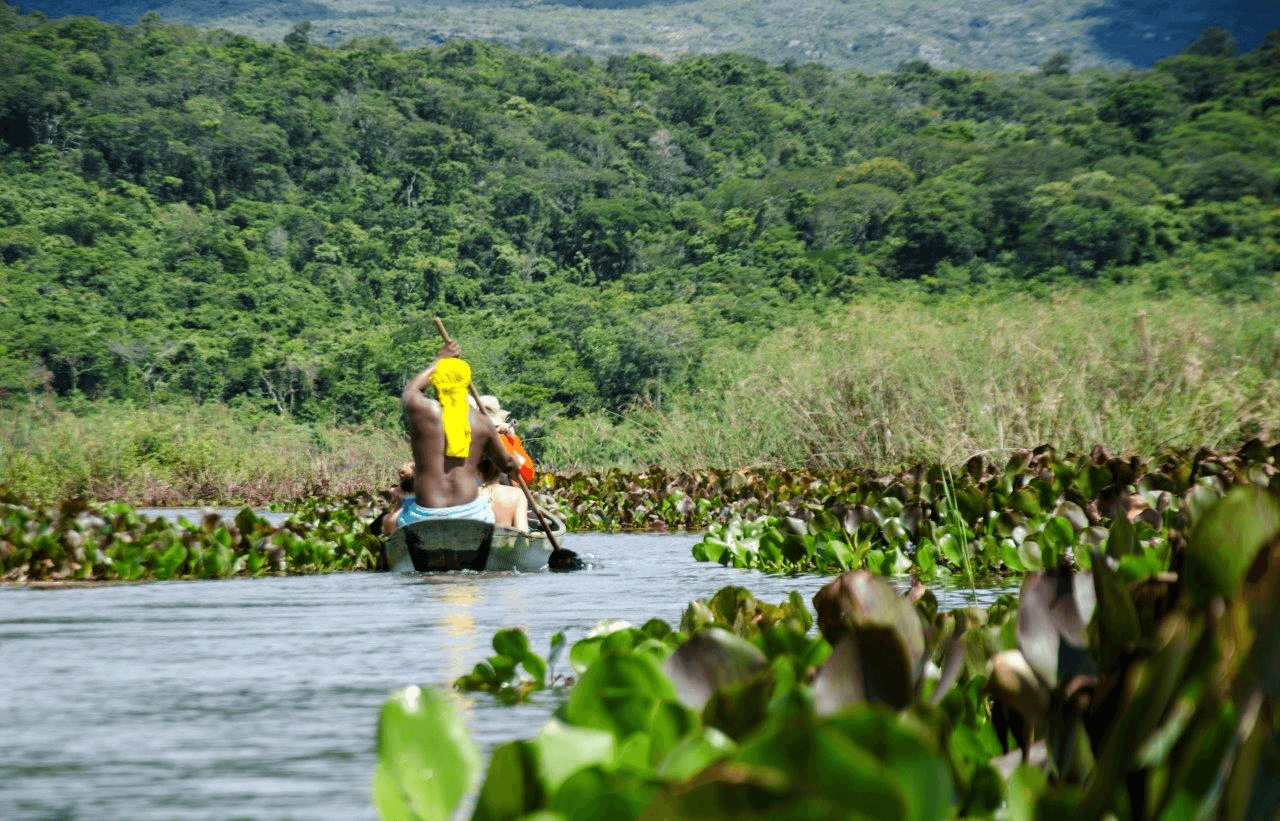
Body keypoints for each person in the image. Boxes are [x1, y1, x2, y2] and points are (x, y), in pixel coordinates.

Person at [397, 340, 521, 530]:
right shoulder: (482, 422)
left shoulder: (422, 411)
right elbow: (507, 465)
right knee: (488, 513)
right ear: (465, 384)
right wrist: (516, 463)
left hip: (424, 513)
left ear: (437, 382)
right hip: (469, 512)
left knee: (400, 515)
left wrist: (440, 359)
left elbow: (412, 390)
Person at [477, 394, 535, 484]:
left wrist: (512, 439)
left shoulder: (501, 437)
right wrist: (513, 439)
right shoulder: (497, 439)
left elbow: (526, 473)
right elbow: (527, 475)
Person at [477, 454, 529, 533]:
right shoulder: (517, 495)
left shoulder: (469, 495)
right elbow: (522, 535)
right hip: (505, 544)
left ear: (479, 469)